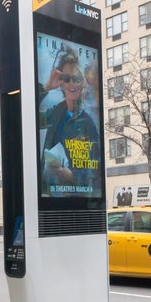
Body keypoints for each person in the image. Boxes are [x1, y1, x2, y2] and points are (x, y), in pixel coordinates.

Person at [38, 50, 100, 196]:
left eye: (76, 79)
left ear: (82, 83)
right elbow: (32, 118)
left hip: (75, 198)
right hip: (51, 195)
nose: (71, 83)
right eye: (66, 79)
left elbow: (96, 174)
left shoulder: (88, 123)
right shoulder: (56, 112)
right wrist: (46, 87)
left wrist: (71, 176)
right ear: (61, 84)